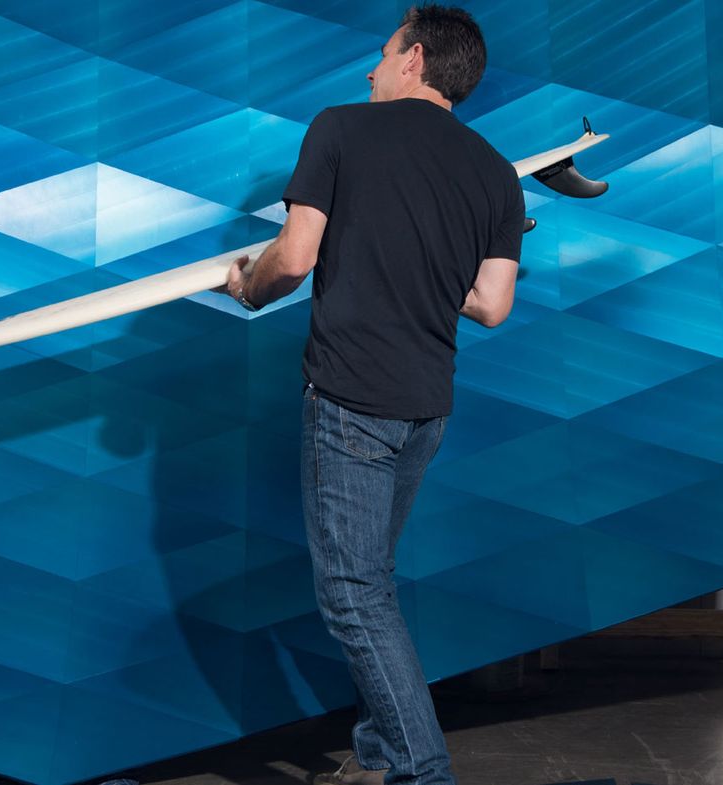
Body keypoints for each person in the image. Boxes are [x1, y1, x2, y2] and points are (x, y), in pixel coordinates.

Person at [213, 4, 524, 784]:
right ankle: (382, 756)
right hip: (427, 407)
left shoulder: (341, 128)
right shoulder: (493, 169)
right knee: (373, 585)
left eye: (382, 53)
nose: (369, 67)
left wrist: (245, 287)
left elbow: (294, 257)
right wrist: (422, 263)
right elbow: (491, 305)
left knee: (353, 595)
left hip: (354, 397)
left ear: (415, 59)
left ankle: (422, 772)